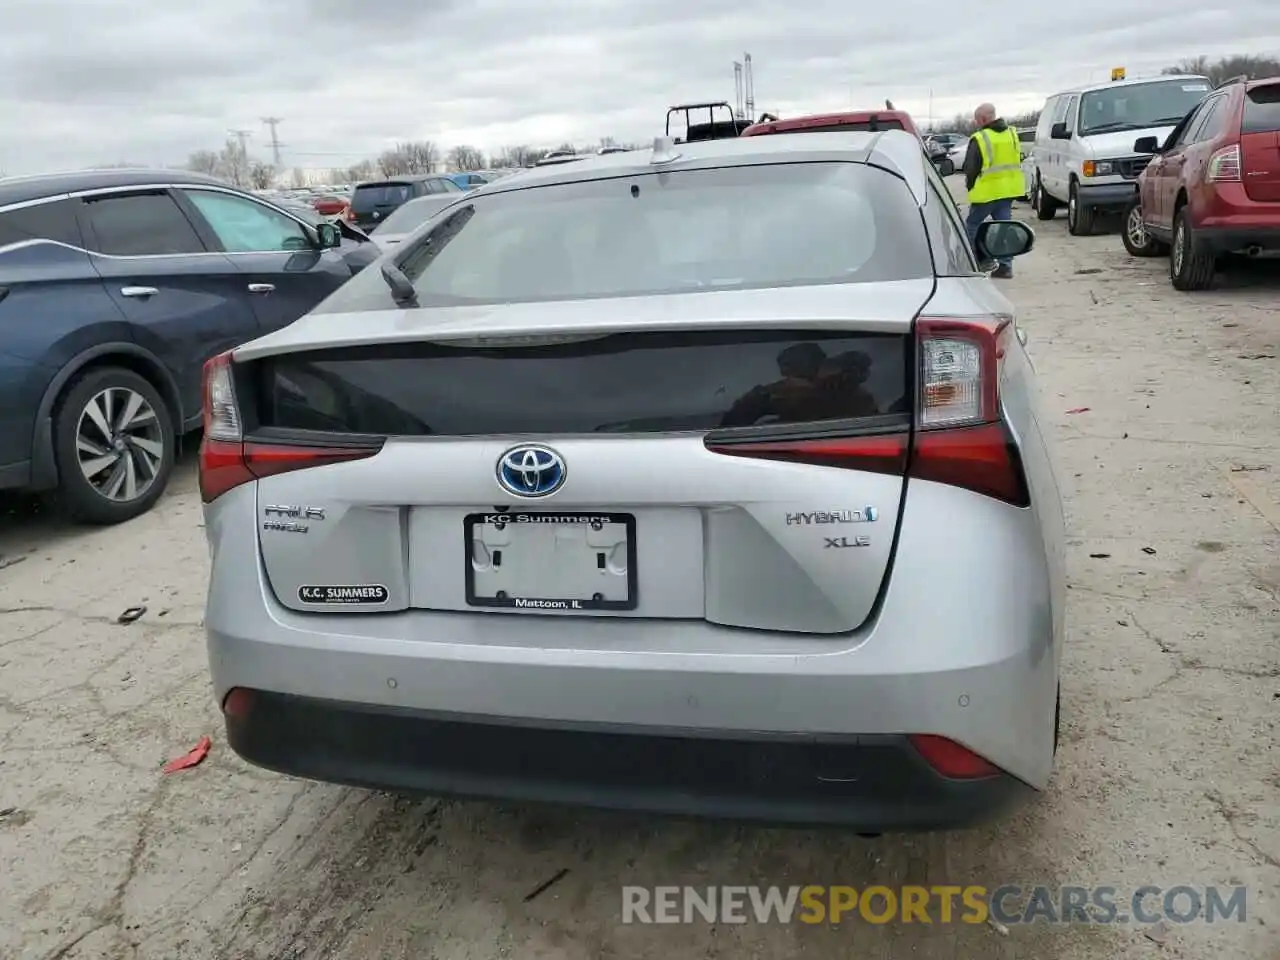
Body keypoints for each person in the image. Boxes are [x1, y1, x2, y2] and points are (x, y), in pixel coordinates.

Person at [961, 103, 1024, 279]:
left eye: (977, 120)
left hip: (986, 192)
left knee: (972, 225)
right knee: (1003, 227)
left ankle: (974, 262)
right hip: (1008, 190)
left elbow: (971, 168)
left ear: (983, 119)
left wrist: (970, 186)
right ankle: (1005, 266)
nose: (976, 123)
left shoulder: (980, 138)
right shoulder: (1012, 133)